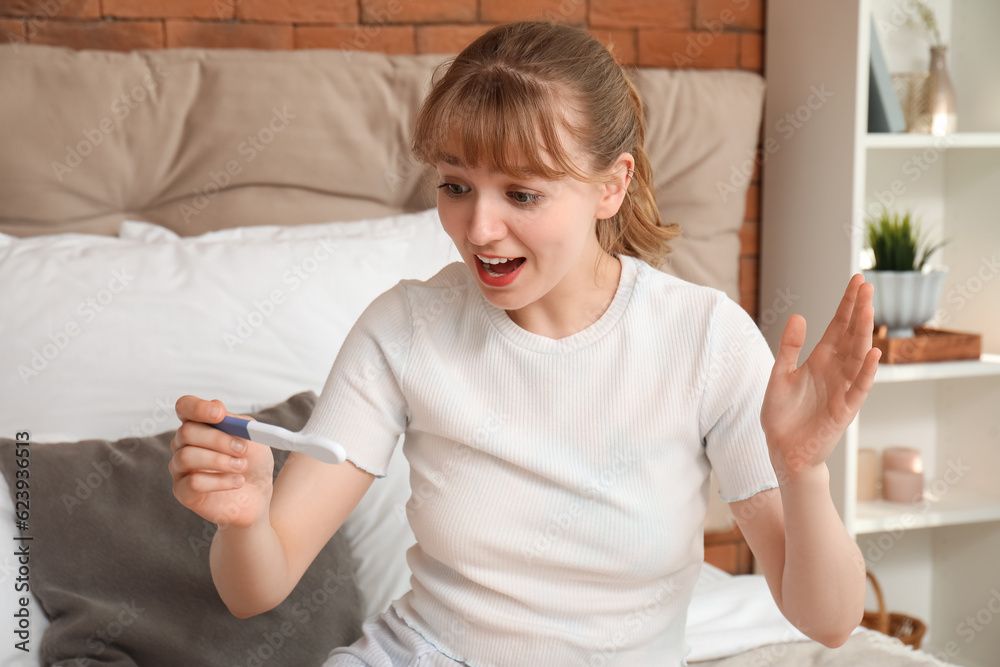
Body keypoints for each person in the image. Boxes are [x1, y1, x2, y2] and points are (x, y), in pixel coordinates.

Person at [169, 20, 880, 667]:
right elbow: (253, 590)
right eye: (455, 185)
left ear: (612, 186)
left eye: (522, 194)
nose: (478, 228)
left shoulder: (702, 338)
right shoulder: (406, 328)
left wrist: (801, 470)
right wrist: (246, 517)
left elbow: (828, 620)